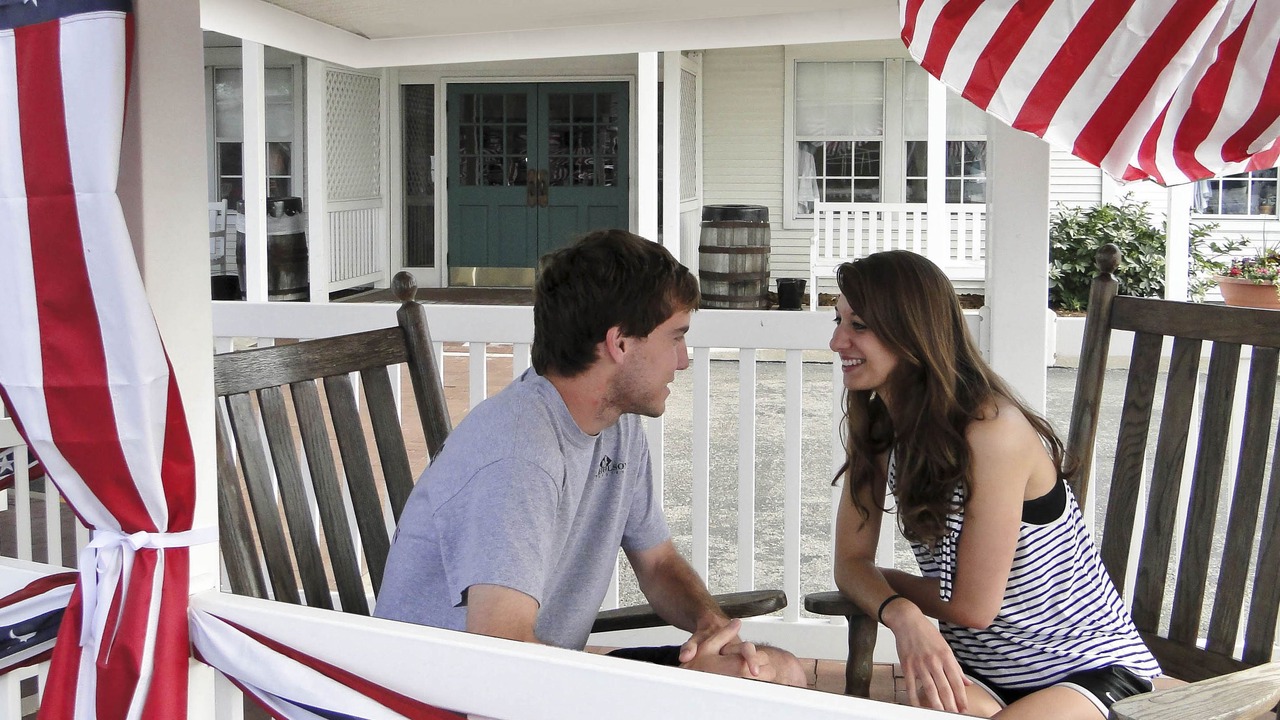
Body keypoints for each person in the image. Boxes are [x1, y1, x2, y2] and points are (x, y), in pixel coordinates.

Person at [376, 229, 804, 686]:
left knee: (772, 672)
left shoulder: (615, 425)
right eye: (676, 337)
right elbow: (501, 658)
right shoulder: (520, 455)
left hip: (543, 675)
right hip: (448, 696)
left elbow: (657, 564)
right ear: (619, 344)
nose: (682, 360)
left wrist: (712, 627)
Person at [828, 251, 1162, 718]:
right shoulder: (883, 426)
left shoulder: (991, 430)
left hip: (1086, 668)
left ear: (912, 332)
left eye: (858, 324)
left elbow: (972, 608)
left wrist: (887, 585)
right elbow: (849, 562)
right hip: (984, 673)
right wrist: (901, 614)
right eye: (838, 318)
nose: (836, 340)